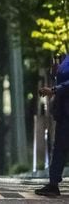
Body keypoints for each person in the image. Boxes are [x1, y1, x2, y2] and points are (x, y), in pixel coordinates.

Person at [35, 54, 69, 197]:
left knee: (60, 147)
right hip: (64, 111)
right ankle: (53, 183)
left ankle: (53, 183)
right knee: (59, 148)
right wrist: (56, 72)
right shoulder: (66, 57)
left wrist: (53, 90)